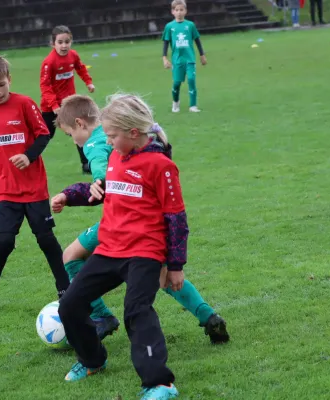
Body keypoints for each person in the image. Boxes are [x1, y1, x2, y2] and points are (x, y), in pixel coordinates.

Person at [52, 94, 229, 345]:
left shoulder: (95, 144)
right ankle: (207, 315)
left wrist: (94, 184)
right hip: (126, 217)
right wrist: (69, 195)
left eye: (70, 135)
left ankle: (102, 316)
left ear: (80, 124)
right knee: (161, 275)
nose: (74, 141)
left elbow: (106, 181)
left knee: (73, 256)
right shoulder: (121, 137)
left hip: (125, 221)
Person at [58, 94, 183, 399]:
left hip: (144, 250)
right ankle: (92, 360)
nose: (108, 142)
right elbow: (103, 192)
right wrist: (69, 195)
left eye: (112, 136)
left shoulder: (160, 165)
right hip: (110, 247)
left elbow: (176, 217)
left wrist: (175, 265)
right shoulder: (115, 157)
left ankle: (159, 383)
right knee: (70, 305)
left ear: (133, 133)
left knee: (136, 310)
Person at [0, 54, 70, 317]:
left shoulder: (24, 104)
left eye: (2, 84)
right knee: (4, 241)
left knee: (46, 239)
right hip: (2, 189)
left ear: (9, 80)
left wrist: (29, 155)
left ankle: (66, 291)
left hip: (34, 187)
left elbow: (43, 134)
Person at [40, 25, 95, 174]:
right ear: (53, 44)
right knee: (45, 135)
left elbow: (80, 68)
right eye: (60, 42)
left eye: (67, 41)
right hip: (51, 107)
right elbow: (45, 86)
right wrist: (53, 105)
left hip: (70, 103)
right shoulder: (49, 62)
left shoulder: (73, 55)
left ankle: (86, 164)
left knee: (79, 131)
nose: (64, 45)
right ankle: (29, 160)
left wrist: (88, 82)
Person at [162, 0, 207, 113]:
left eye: (181, 10)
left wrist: (202, 55)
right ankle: (176, 102)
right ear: (172, 11)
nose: (179, 12)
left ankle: (193, 106)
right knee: (177, 83)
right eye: (177, 10)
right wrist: (164, 58)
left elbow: (197, 40)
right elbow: (166, 43)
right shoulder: (169, 27)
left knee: (191, 80)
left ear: (185, 11)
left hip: (190, 58)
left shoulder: (190, 25)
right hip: (177, 60)